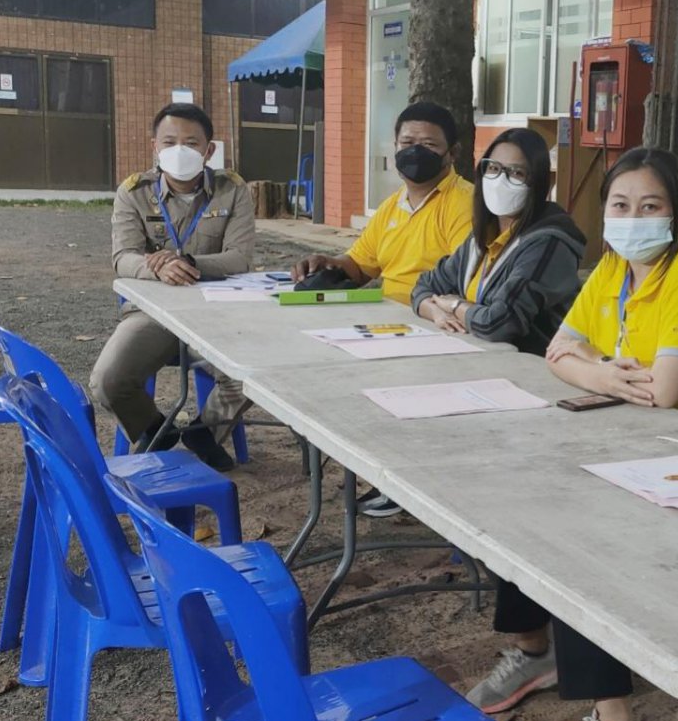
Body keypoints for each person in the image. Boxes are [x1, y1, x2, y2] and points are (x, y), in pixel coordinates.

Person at [464, 147, 678, 721]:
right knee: (522, 492)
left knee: (576, 534)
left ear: (677, 214)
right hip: (640, 443)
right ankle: (537, 648)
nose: (633, 218)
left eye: (651, 206)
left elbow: (667, 391)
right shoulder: (614, 268)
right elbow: (558, 352)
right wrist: (603, 371)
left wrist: (598, 372)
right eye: (620, 205)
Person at [291, 101, 473, 517]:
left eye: (429, 144)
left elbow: (466, 279)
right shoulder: (392, 207)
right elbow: (360, 266)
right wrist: (327, 265)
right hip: (386, 325)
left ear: (452, 154)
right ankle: (379, 470)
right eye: (408, 142)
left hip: (435, 328)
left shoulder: (463, 204)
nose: (416, 151)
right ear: (394, 147)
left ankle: (405, 479)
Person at [89, 103, 253, 472]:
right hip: (153, 313)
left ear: (209, 150)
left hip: (217, 310)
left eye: (191, 142)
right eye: (170, 141)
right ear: (155, 147)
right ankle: (154, 431)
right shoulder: (133, 192)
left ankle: (205, 432)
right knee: (108, 381)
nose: (180, 150)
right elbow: (123, 258)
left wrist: (191, 263)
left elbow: (240, 257)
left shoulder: (233, 190)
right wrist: (156, 266)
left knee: (254, 372)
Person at [410, 127, 586, 354]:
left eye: (516, 173)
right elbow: (423, 287)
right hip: (477, 357)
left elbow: (500, 323)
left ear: (538, 182)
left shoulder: (549, 244)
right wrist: (437, 312)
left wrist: (456, 305)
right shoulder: (483, 237)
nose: (500, 180)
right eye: (493, 168)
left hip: (533, 369)